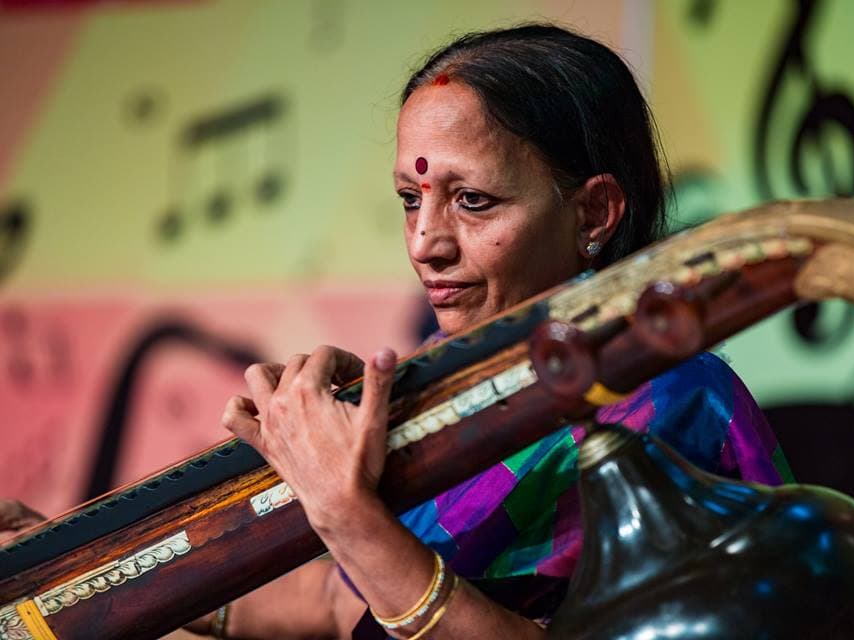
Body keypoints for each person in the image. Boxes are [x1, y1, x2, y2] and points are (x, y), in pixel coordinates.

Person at [1, 24, 792, 640]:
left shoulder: (666, 401)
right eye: (411, 201)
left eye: (472, 201)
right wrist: (70, 571)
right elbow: (332, 601)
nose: (425, 243)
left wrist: (344, 511)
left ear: (593, 212)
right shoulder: (458, 380)